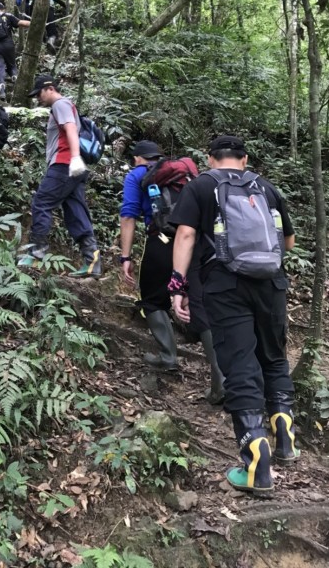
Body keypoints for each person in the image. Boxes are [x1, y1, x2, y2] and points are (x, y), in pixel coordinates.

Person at [169, 135, 298, 495]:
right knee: (274, 359)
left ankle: (257, 464)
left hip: (226, 287)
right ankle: (285, 439)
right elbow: (288, 242)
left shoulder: (201, 186)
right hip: (271, 285)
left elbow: (185, 234)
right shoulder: (266, 187)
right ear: (245, 158)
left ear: (210, 159)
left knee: (240, 365)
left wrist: (178, 284)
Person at [119, 140, 224, 401]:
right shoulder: (186, 174)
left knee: (152, 299)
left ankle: (168, 356)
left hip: (162, 242)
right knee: (201, 306)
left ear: (137, 159)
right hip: (197, 245)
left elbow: (129, 214)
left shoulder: (137, 175)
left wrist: (125, 255)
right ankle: (221, 383)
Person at [18, 75, 101, 278]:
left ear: (50, 89)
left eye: (39, 93)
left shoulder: (60, 104)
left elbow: (71, 129)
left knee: (41, 203)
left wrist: (73, 158)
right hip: (73, 167)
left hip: (65, 164)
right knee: (75, 210)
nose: (38, 98)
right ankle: (92, 262)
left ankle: (35, 255)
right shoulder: (66, 105)